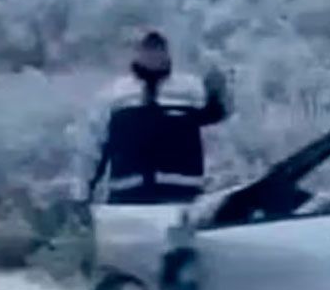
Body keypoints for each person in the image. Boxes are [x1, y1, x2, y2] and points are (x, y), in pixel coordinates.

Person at [86, 31, 231, 204]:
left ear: (167, 53)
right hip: (127, 197)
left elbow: (218, 119)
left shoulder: (191, 88)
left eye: (158, 49)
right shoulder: (115, 94)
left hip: (182, 195)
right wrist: (87, 188)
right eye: (148, 49)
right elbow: (95, 143)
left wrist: (220, 92)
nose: (153, 55)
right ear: (138, 53)